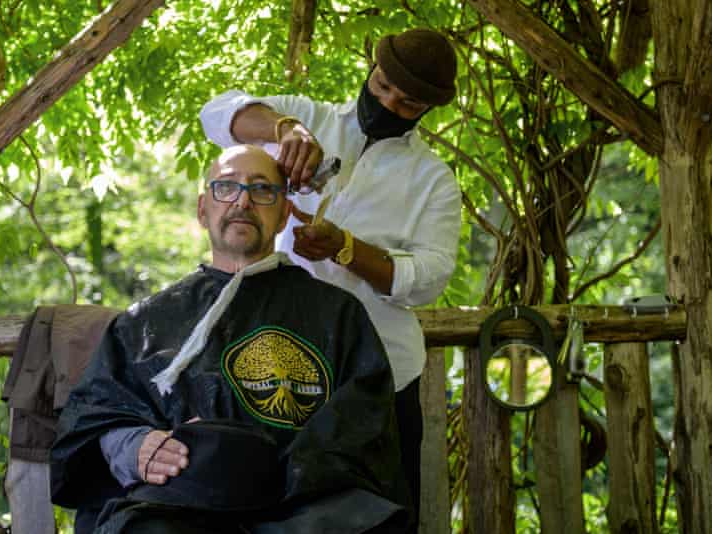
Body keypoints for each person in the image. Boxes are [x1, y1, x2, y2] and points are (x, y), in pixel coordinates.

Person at [50, 145, 409, 533]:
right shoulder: (146, 321)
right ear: (203, 209)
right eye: (227, 187)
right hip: (182, 508)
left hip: (304, 508)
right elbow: (95, 416)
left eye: (262, 190)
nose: (243, 200)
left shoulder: (338, 313)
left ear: (284, 214)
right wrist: (134, 447)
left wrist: (262, 467)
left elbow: (363, 426)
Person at [199, 28, 462, 529]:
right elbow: (215, 113)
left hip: (379, 374)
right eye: (381, 85)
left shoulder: (433, 180)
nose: (385, 102)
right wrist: (285, 130)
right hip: (277, 359)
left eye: (405, 103)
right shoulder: (311, 117)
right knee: (272, 507)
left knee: (376, 511)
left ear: (427, 108)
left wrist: (347, 249)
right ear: (372, 69)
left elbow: (428, 279)